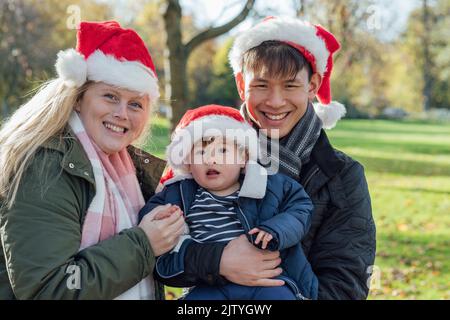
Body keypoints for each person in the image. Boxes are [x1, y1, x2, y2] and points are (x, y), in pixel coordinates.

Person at [161, 17, 376, 299]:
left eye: (290, 86)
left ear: (312, 86)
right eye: (261, 85)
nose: (275, 101)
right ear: (241, 84)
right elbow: (160, 256)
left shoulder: (341, 175)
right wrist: (220, 261)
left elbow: (347, 282)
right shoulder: (203, 156)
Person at [0, 21, 185, 299]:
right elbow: (49, 290)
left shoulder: (130, 170)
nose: (122, 113)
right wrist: (144, 244)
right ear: (78, 98)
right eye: (110, 97)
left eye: (135, 103)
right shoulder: (46, 166)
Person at [139, 105, 316, 300]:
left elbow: (300, 207)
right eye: (201, 153)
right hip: (209, 283)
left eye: (223, 151)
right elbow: (149, 218)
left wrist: (275, 230)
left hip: (266, 280)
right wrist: (161, 216)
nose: (211, 160)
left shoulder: (267, 184)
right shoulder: (177, 194)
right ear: (187, 162)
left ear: (243, 158)